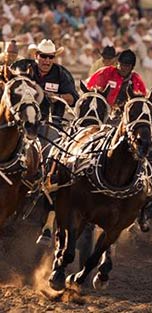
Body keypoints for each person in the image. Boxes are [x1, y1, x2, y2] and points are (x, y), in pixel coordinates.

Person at [12, 39, 79, 247]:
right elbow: (10, 79)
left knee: (53, 157)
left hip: (51, 123)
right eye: (43, 56)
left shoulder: (61, 74)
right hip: (23, 122)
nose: (46, 60)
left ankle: (47, 191)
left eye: (50, 57)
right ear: (36, 56)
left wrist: (55, 96)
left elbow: (73, 98)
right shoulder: (24, 68)